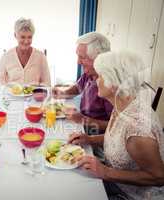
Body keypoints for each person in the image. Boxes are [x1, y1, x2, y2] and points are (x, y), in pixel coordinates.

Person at [68, 51, 164, 200]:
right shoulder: (123, 101)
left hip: (129, 194)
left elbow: (158, 177)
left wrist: (105, 172)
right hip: (113, 178)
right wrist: (89, 139)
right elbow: (116, 138)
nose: (96, 81)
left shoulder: (138, 130)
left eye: (100, 76)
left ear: (113, 83)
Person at [53, 32, 113, 134]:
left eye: (82, 57)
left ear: (99, 58)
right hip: (81, 126)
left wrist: (84, 120)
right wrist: (63, 93)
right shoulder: (90, 72)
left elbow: (115, 127)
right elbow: (77, 87)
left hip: (96, 136)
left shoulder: (110, 84)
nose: (78, 62)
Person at [0, 18, 51, 86]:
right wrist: (8, 91)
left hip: (34, 96)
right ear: (15, 35)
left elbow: (47, 82)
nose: (26, 41)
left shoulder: (40, 56)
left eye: (29, 37)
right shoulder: (6, 56)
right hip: (11, 96)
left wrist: (39, 92)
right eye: (22, 37)